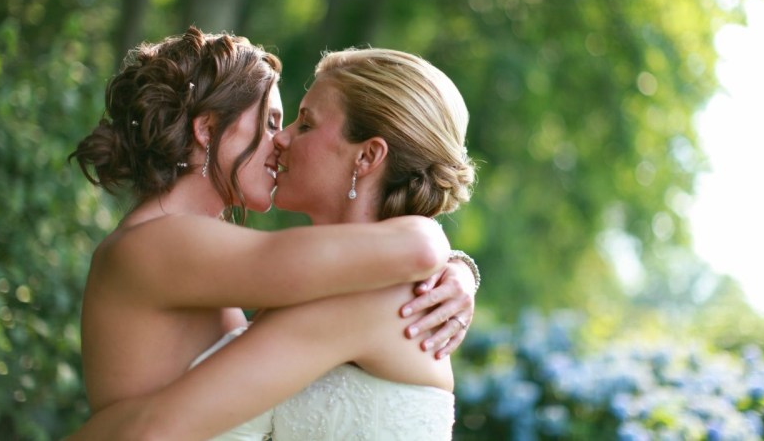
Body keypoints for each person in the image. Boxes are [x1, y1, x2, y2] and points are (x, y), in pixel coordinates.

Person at [66, 28, 478, 437]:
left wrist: (454, 267)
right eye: (270, 122)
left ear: (368, 156)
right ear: (207, 129)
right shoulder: (163, 243)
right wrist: (442, 250)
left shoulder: (365, 298)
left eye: (300, 123)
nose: (280, 139)